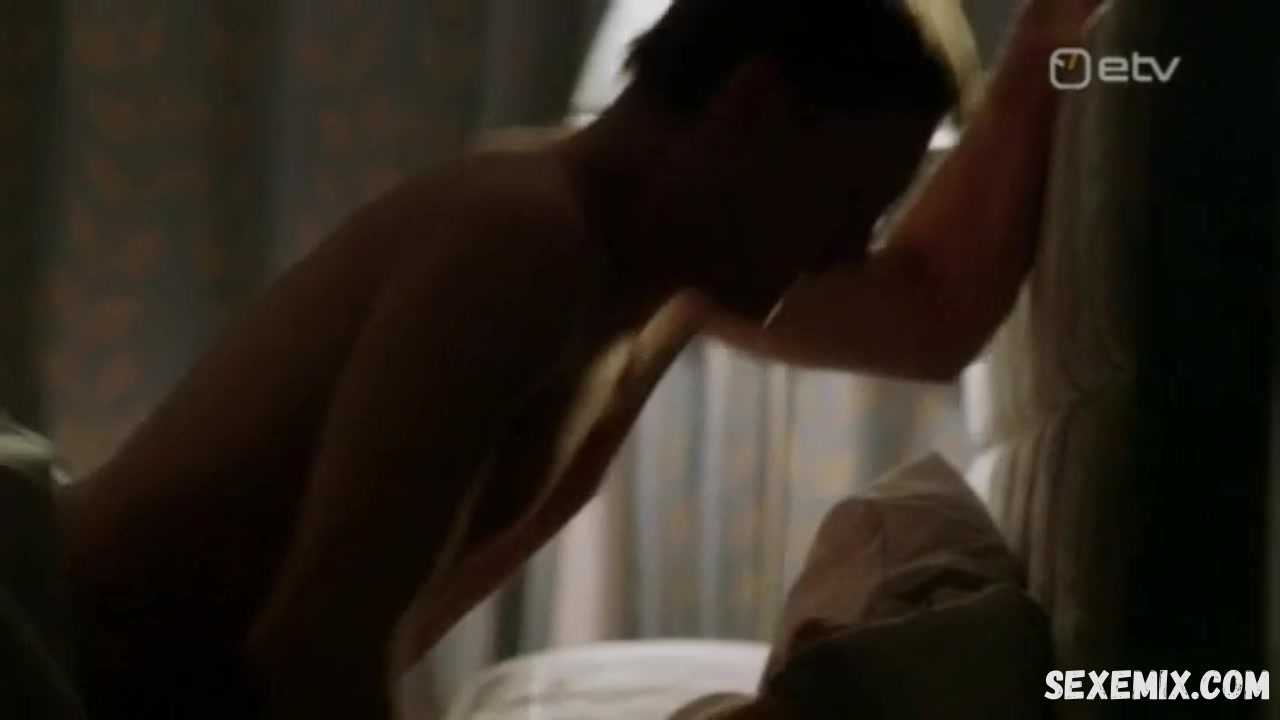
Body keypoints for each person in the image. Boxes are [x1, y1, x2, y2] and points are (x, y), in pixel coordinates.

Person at [41, 0, 1097, 718]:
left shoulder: (660, 278)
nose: (845, 250)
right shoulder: (521, 242)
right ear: (752, 110)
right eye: (850, 200)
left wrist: (1054, 40)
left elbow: (927, 314)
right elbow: (314, 648)